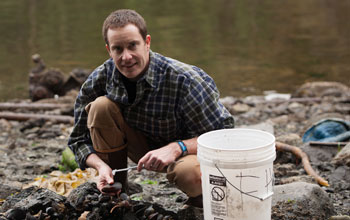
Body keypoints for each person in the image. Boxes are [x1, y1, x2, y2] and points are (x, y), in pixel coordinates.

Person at [68, 9, 234, 206]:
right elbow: (78, 140)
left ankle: (202, 200)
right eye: (118, 49)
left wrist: (176, 148)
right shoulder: (99, 79)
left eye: (133, 46)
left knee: (189, 175)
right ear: (108, 50)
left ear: (147, 43)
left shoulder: (185, 80)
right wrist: (101, 166)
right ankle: (116, 191)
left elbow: (224, 138)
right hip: (140, 149)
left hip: (186, 154)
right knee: (100, 107)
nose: (126, 57)